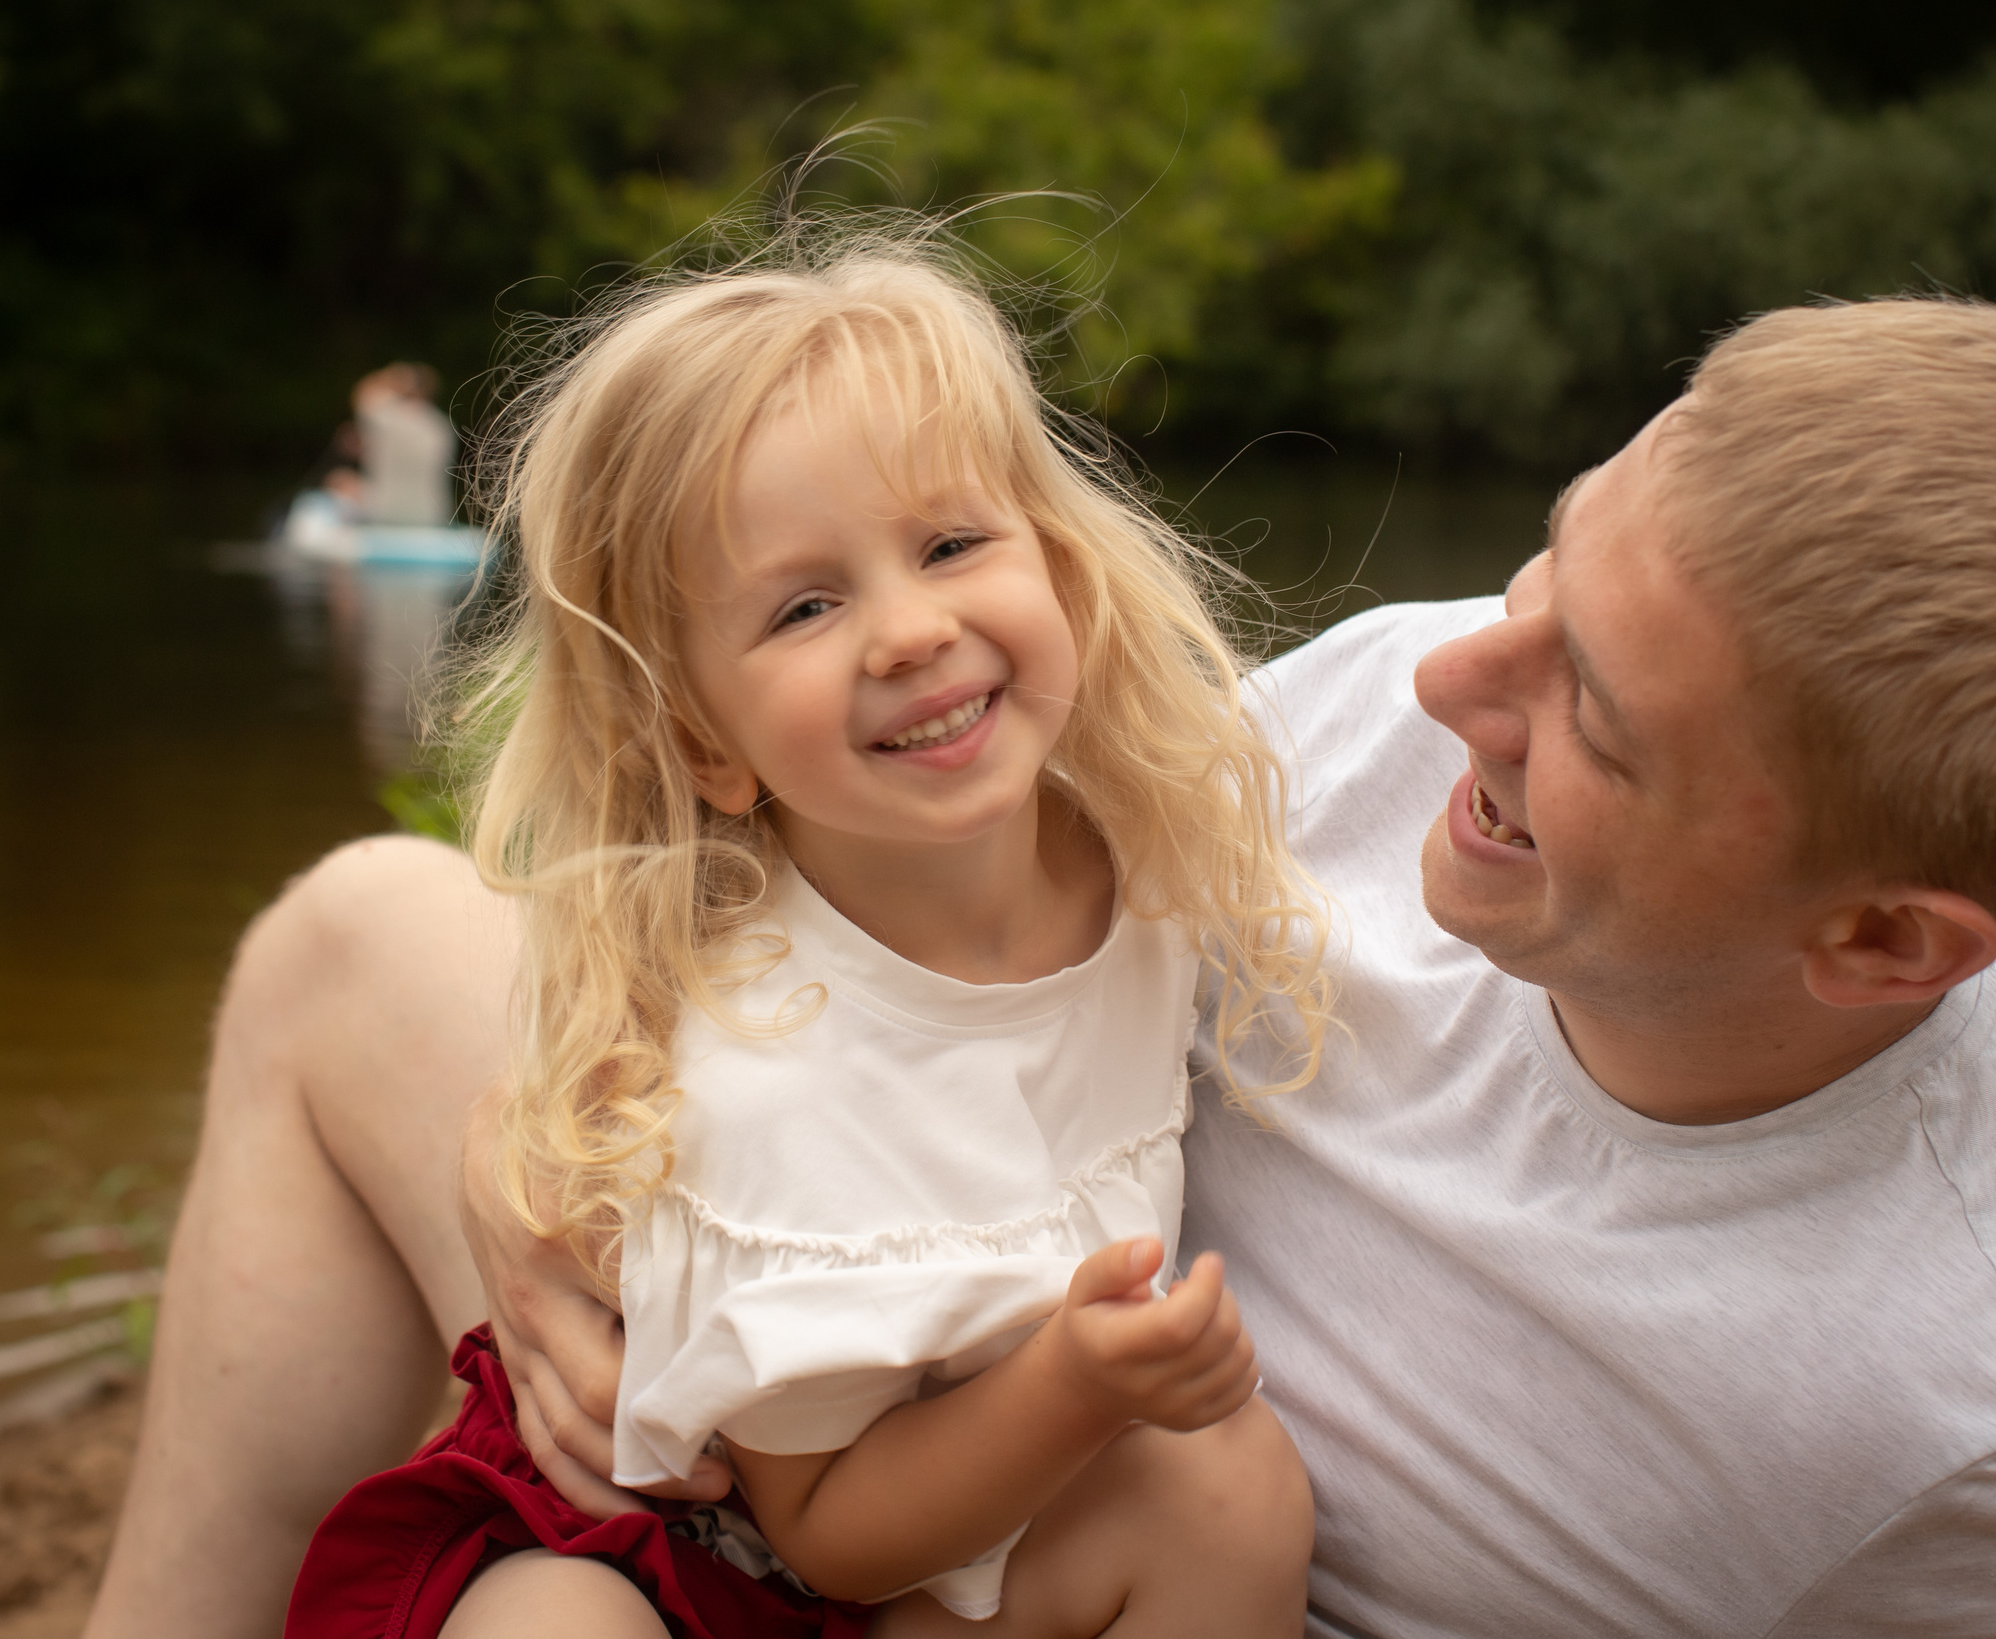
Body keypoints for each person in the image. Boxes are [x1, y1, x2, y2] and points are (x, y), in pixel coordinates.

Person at [85, 295, 1996, 1639]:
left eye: (1588, 709)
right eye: (1541, 563)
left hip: (1076, 1567)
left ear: (1881, 941)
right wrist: (531, 1127)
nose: (1446, 680)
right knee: (354, 933)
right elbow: (882, 919)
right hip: (832, 1426)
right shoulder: (1374, 716)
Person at [281, 246, 1331, 1638]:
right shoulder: (768, 1068)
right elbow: (827, 1534)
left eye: (953, 543)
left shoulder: (1150, 855)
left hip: (960, 1544)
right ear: (706, 742)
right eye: (805, 605)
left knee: (1225, 1483)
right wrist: (1079, 1380)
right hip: (703, 1557)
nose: (910, 628)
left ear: (1061, 565)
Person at [355, 362, 458, 527]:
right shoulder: (441, 426)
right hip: (431, 515)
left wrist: (391, 376)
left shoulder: (387, 417)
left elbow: (365, 393)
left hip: (386, 512)